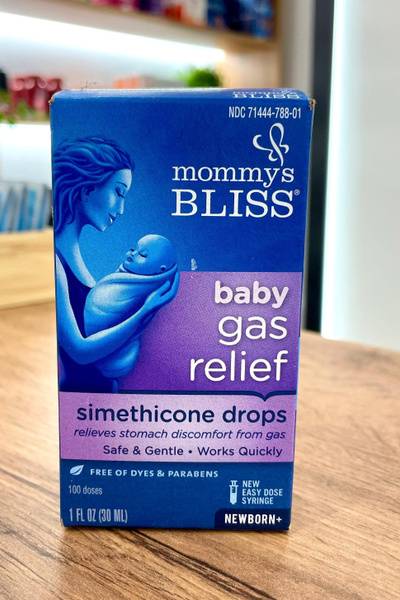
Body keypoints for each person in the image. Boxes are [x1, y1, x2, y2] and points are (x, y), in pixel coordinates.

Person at [53, 137, 179, 392]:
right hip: (83, 400)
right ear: (88, 188)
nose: (121, 209)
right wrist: (143, 313)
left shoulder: (77, 263)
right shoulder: (57, 263)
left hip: (104, 403)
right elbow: (80, 351)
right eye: (119, 192)